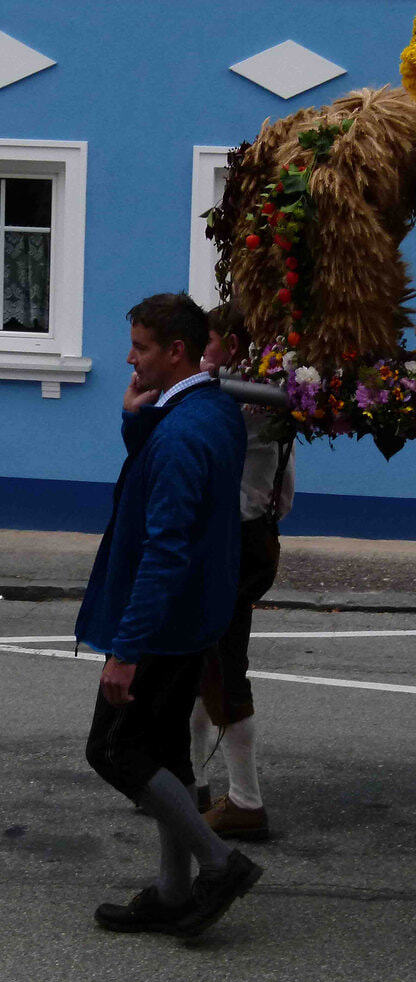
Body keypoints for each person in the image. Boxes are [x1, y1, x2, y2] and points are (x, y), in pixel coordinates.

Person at [77, 292, 262, 938]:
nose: (130, 359)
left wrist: (126, 650)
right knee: (164, 752)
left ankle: (219, 864)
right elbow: (162, 476)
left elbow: (164, 548)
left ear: (177, 351)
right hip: (192, 615)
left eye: (141, 348)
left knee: (114, 750)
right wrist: (137, 420)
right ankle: (173, 890)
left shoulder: (183, 433)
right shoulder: (210, 407)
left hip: (162, 622)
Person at [190, 304, 295, 840]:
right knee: (200, 662)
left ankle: (245, 801)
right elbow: (286, 489)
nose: (197, 352)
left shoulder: (234, 400)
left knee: (223, 665)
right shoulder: (268, 395)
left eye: (205, 341)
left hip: (231, 541)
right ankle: (190, 781)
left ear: (231, 346)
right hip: (253, 536)